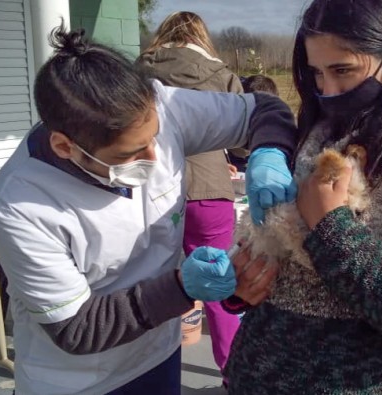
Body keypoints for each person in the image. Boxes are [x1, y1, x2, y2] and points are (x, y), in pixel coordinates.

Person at [0, 24, 296, 395]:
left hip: (159, 354)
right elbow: (76, 329)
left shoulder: (163, 107)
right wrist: (182, 287)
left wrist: (269, 152)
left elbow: (265, 109)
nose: (154, 156)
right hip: (80, 380)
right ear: (65, 146)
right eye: (128, 154)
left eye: (154, 139)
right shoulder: (20, 205)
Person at [224, 0, 382, 393]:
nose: (327, 90)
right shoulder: (319, 133)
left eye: (342, 70)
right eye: (316, 74)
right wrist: (243, 288)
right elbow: (293, 277)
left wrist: (330, 228)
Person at [135, 11, 243, 384]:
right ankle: (233, 374)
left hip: (149, 189)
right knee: (218, 285)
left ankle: (148, 375)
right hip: (208, 189)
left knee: (151, 285)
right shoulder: (220, 74)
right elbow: (242, 136)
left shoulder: (139, 71)